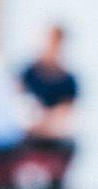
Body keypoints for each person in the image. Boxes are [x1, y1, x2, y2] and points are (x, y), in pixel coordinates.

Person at [19, 23, 80, 156]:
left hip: (53, 137)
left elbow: (66, 112)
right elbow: (16, 100)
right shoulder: (29, 73)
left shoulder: (68, 80)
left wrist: (46, 122)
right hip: (29, 135)